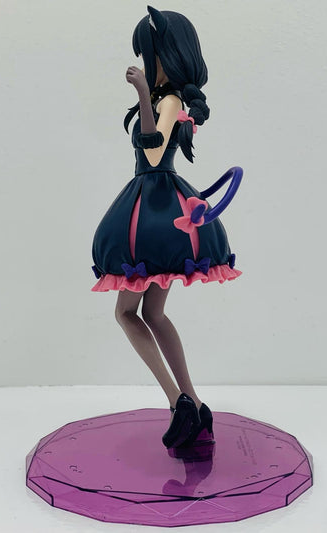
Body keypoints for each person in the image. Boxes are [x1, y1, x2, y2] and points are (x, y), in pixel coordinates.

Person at [91, 6, 242, 452]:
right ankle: (194, 404)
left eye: (150, 53)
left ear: (167, 54)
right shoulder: (169, 99)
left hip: (155, 210)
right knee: (152, 314)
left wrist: (143, 93)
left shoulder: (169, 100)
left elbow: (154, 154)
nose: (146, 61)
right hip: (155, 205)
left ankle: (179, 402)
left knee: (126, 313)